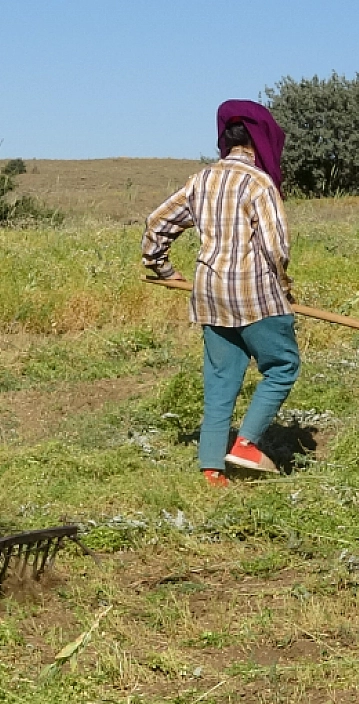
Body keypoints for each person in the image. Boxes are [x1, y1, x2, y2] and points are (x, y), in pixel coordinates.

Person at [142, 100, 301, 487]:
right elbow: (276, 246)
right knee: (282, 367)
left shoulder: (201, 180)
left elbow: (158, 222)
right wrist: (284, 287)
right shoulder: (259, 183)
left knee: (220, 379)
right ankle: (246, 444)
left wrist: (159, 265)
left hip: (209, 294)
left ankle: (212, 467)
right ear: (262, 139)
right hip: (255, 295)